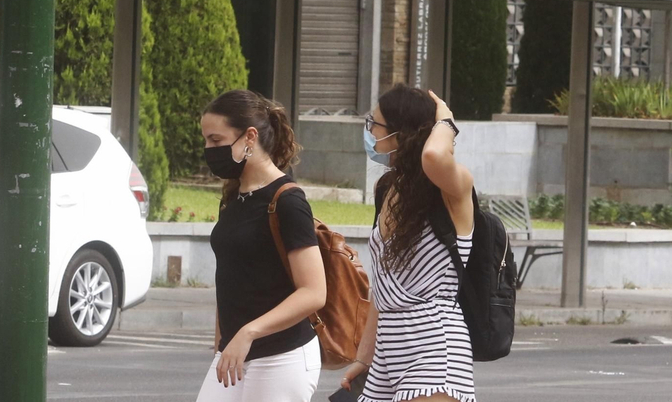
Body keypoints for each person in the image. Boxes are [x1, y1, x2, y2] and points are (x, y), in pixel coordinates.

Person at [339, 84, 475, 402]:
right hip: (390, 346)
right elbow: (385, 284)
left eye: (374, 124)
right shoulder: (391, 188)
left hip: (434, 346)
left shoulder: (455, 186)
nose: (369, 132)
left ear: (402, 133)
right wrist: (365, 355)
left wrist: (445, 122)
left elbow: (433, 155)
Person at [195, 89, 327, 402]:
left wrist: (248, 332)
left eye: (215, 140)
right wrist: (223, 338)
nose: (208, 149)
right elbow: (232, 273)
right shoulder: (234, 195)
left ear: (249, 137)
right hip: (235, 352)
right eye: (206, 140)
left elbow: (314, 292)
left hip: (283, 354)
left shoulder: (288, 200)